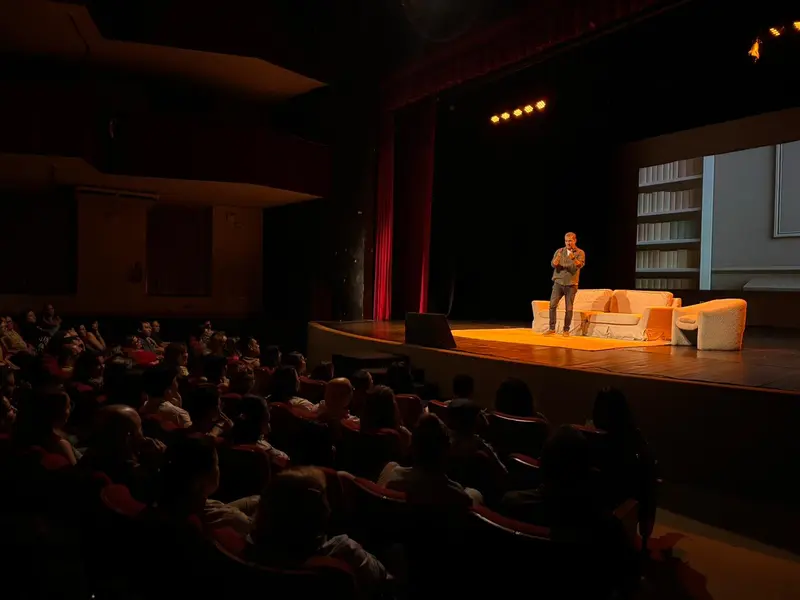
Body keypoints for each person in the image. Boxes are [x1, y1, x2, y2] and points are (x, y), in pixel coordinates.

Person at [546, 231, 586, 336]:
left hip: (571, 284)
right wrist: (557, 258)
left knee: (569, 308)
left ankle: (566, 330)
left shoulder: (580, 252)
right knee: (552, 305)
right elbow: (553, 264)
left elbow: (580, 265)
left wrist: (573, 258)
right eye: (566, 241)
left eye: (570, 241)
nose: (568, 243)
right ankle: (551, 328)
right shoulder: (559, 251)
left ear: (575, 241)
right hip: (558, 283)